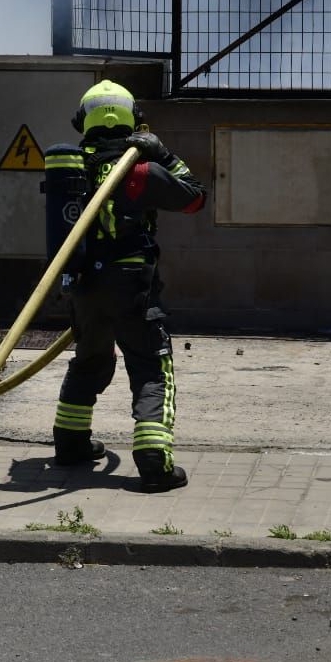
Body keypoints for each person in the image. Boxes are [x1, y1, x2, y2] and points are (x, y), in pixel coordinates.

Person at [43, 80, 206, 493]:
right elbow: (195, 198)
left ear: (84, 119)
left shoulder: (73, 165)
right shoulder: (138, 169)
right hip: (131, 284)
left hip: (83, 284)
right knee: (151, 367)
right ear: (133, 119)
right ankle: (154, 462)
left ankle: (71, 444)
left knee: (90, 361)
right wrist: (163, 153)